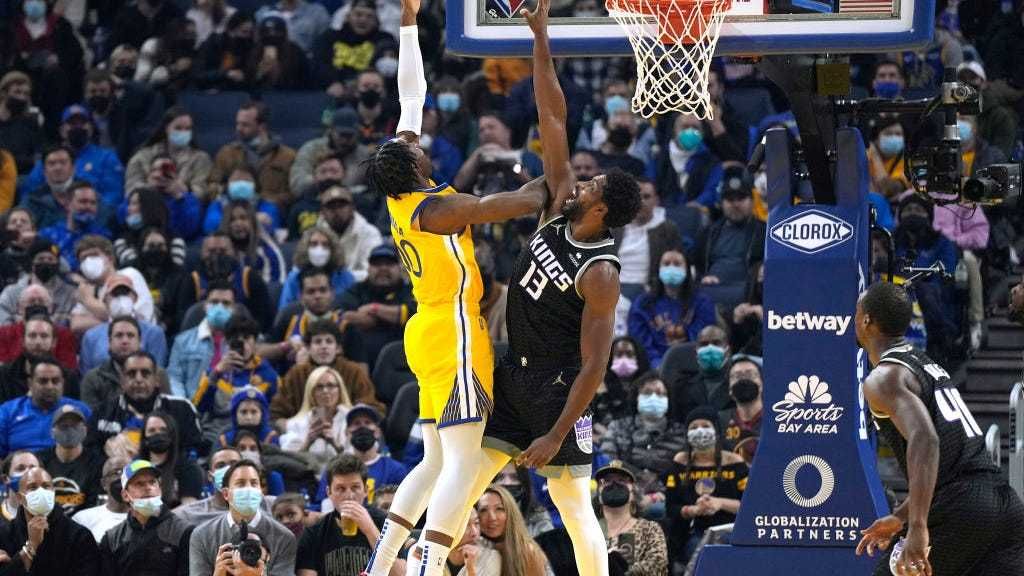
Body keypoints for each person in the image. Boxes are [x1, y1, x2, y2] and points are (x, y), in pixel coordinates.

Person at [359, 0, 554, 571]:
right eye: (414, 147)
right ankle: (427, 564)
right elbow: (503, 205)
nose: (418, 140)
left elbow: (410, 94)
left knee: (435, 461)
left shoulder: (402, 193)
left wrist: (408, 21)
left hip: (427, 331)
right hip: (455, 328)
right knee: (464, 463)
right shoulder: (434, 210)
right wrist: (550, 182)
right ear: (413, 167)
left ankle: (382, 562)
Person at [853, 282, 1024, 575]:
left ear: (866, 320)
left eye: (856, 312)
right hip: (1003, 504)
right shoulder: (923, 363)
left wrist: (917, 527)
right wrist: (900, 517)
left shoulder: (884, 378)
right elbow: (947, 463)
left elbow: (926, 440)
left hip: (962, 508)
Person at [664, 405, 747, 568]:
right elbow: (670, 507)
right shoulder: (680, 462)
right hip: (694, 532)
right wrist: (693, 510)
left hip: (732, 530)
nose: (700, 431)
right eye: (694, 427)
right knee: (698, 550)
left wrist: (720, 503)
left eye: (705, 426)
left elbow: (750, 506)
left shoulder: (734, 462)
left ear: (716, 430)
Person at [86, 351, 203, 460]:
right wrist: (106, 451)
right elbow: (88, 454)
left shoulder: (182, 409)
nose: (138, 379)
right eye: (131, 374)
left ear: (156, 380)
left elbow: (196, 451)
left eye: (145, 373)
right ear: (122, 380)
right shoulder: (102, 411)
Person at [188, 459, 297, 576]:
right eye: (240, 483)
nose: (248, 489)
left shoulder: (284, 537)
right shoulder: (202, 535)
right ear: (226, 494)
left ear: (261, 492)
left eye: (254, 483)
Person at [272, 319, 381, 425]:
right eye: (318, 342)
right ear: (308, 348)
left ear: (338, 348)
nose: (324, 346)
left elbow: (370, 407)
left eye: (329, 341)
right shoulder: (296, 374)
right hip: (304, 431)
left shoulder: (354, 371)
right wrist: (294, 429)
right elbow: (276, 414)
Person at [600, 372, 687, 504]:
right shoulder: (617, 427)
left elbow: (683, 473)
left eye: (660, 394)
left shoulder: (681, 434)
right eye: (647, 393)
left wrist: (657, 495)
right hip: (622, 496)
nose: (654, 398)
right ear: (636, 398)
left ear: (668, 400)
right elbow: (607, 462)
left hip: (667, 498)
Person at [99, 459, 193, 576]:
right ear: (125, 495)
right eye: (139, 484)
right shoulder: (112, 539)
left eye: (152, 482)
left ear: (160, 489)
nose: (148, 488)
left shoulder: (184, 531)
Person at [192, 312, 279, 436]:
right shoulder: (213, 373)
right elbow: (199, 408)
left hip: (255, 434)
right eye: (236, 339)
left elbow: (275, 413)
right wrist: (216, 374)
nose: (242, 344)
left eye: (246, 338)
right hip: (218, 433)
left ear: (255, 342)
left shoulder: (268, 374)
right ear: (227, 342)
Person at [0, 466, 99, 575]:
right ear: (20, 498)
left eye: (46, 486)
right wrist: (32, 546)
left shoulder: (79, 535)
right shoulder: (4, 535)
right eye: (32, 487)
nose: (41, 491)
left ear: (53, 493)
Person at [297, 455, 385, 575]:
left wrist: (370, 529)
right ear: (329, 492)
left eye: (355, 487)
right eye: (340, 488)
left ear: (365, 490)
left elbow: (400, 572)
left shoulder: (383, 522)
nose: (349, 495)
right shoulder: (314, 533)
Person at [20, 105, 124, 207]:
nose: (78, 127)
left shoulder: (107, 157)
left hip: (92, 211)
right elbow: (29, 193)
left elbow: (113, 195)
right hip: (50, 213)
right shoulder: (51, 158)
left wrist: (91, 209)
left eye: (82, 123)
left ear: (91, 129)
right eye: (72, 124)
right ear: (62, 131)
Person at [628, 249, 716, 368]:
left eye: (677, 264)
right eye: (666, 264)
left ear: (687, 270)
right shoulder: (642, 303)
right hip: (652, 366)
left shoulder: (702, 302)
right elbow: (640, 341)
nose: (671, 268)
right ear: (658, 269)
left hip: (692, 363)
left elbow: (703, 337)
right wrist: (656, 364)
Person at [693, 166, 766, 309]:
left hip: (749, 293)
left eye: (741, 198)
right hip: (711, 290)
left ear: (752, 202)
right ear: (722, 203)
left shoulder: (764, 231)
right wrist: (702, 278)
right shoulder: (708, 232)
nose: (736, 204)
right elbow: (696, 266)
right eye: (730, 199)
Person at [207, 100, 297, 210]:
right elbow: (212, 185)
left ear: (262, 126)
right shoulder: (227, 153)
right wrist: (227, 191)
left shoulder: (287, 156)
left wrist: (264, 200)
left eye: (245, 125)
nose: (238, 128)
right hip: (233, 210)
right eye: (238, 123)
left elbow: (293, 194)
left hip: (271, 210)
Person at [0, 355, 91, 457]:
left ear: (63, 383)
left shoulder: (81, 411)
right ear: (30, 383)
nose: (50, 386)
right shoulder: (7, 412)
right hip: (22, 464)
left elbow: (91, 451)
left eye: (55, 381)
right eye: (43, 381)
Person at [77, 276, 167, 373]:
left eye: (125, 293)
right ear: (104, 300)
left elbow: (158, 372)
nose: (121, 298)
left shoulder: (153, 333)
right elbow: (86, 375)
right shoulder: (91, 336)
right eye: (115, 294)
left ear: (135, 298)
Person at [80, 314, 171, 411]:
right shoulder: (93, 379)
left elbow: (167, 413)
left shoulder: (158, 374)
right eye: (119, 335)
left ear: (140, 342)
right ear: (109, 342)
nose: (125, 341)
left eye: (130, 335)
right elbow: (91, 416)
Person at [613, 178, 684, 299]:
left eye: (646, 197)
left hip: (647, 291)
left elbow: (677, 264)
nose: (640, 202)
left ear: (656, 201)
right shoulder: (613, 227)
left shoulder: (668, 230)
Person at [124, 106, 213, 203]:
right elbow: (130, 190)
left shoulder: (201, 159)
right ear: (166, 128)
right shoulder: (142, 156)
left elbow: (202, 194)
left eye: (187, 129)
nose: (183, 132)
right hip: (148, 206)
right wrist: (151, 187)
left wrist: (184, 189)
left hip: (182, 206)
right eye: (178, 128)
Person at [596, 461, 669, 576]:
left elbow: (658, 567)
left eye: (621, 480)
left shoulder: (649, 530)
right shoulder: (587, 531)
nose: (614, 484)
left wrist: (621, 572)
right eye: (606, 481)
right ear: (598, 492)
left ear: (633, 492)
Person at [166, 280, 235, 399]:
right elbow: (174, 379)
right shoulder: (183, 341)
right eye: (214, 302)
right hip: (194, 405)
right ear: (205, 306)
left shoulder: (243, 342)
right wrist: (185, 405)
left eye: (226, 303)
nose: (220, 307)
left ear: (233, 308)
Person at [174, 447, 273, 526]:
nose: (228, 469)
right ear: (210, 476)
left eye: (234, 464)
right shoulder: (189, 514)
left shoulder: (270, 505)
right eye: (220, 466)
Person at [37, 404, 104, 516]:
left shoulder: (97, 464)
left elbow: (93, 508)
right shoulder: (40, 461)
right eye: (64, 426)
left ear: (85, 431)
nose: (70, 430)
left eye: (75, 426)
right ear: (52, 432)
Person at [279, 366, 353, 466]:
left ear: (340, 390)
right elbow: (288, 462)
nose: (325, 391)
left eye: (331, 385)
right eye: (319, 387)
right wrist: (307, 443)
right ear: (311, 392)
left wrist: (335, 444)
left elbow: (360, 457)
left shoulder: (352, 419)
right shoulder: (295, 424)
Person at [0, 313, 80, 404]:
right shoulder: (3, 375)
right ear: (23, 341)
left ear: (54, 342)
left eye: (44, 336)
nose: (38, 342)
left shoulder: (69, 378)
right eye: (32, 336)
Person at [0, 239, 78, 326]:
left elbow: (73, 323)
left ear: (57, 264)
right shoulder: (12, 292)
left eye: (51, 259)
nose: (46, 262)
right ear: (32, 263)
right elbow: (2, 320)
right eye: (40, 259)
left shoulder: (69, 293)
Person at [476, 485, 548, 576]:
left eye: (499, 509)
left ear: (510, 513)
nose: (492, 517)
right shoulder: (474, 548)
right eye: (483, 510)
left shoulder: (527, 552)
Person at [38, 181, 113, 269]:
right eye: (83, 202)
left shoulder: (103, 237)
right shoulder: (47, 236)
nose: (88, 207)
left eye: (93, 203)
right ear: (68, 204)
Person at [137, 411, 205, 508]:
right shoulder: (135, 469)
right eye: (152, 431)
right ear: (145, 438)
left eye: (163, 430)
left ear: (171, 435)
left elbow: (189, 510)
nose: (158, 434)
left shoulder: (189, 469)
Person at [278, 225, 355, 309]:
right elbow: (284, 309)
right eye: (314, 244)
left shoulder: (345, 277)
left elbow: (354, 308)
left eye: (325, 244)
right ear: (306, 248)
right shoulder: (294, 278)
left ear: (333, 249)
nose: (319, 249)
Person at [317, 185, 382, 282]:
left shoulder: (369, 233)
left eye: (342, 206)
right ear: (322, 212)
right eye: (331, 207)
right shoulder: (315, 235)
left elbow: (373, 271)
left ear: (352, 208)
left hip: (360, 287)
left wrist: (341, 277)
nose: (337, 211)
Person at [671, 325, 734, 421]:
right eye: (704, 344)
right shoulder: (682, 387)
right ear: (696, 352)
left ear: (728, 351)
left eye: (716, 343)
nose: (710, 348)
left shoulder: (738, 383)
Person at [72, 456, 130, 542]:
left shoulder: (145, 518)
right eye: (117, 472)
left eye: (128, 472)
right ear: (104, 483)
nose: (123, 477)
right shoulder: (83, 519)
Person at [718, 356, 763, 464]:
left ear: (762, 384)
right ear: (729, 388)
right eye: (737, 376)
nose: (744, 380)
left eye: (750, 375)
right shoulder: (718, 421)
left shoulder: (781, 418)